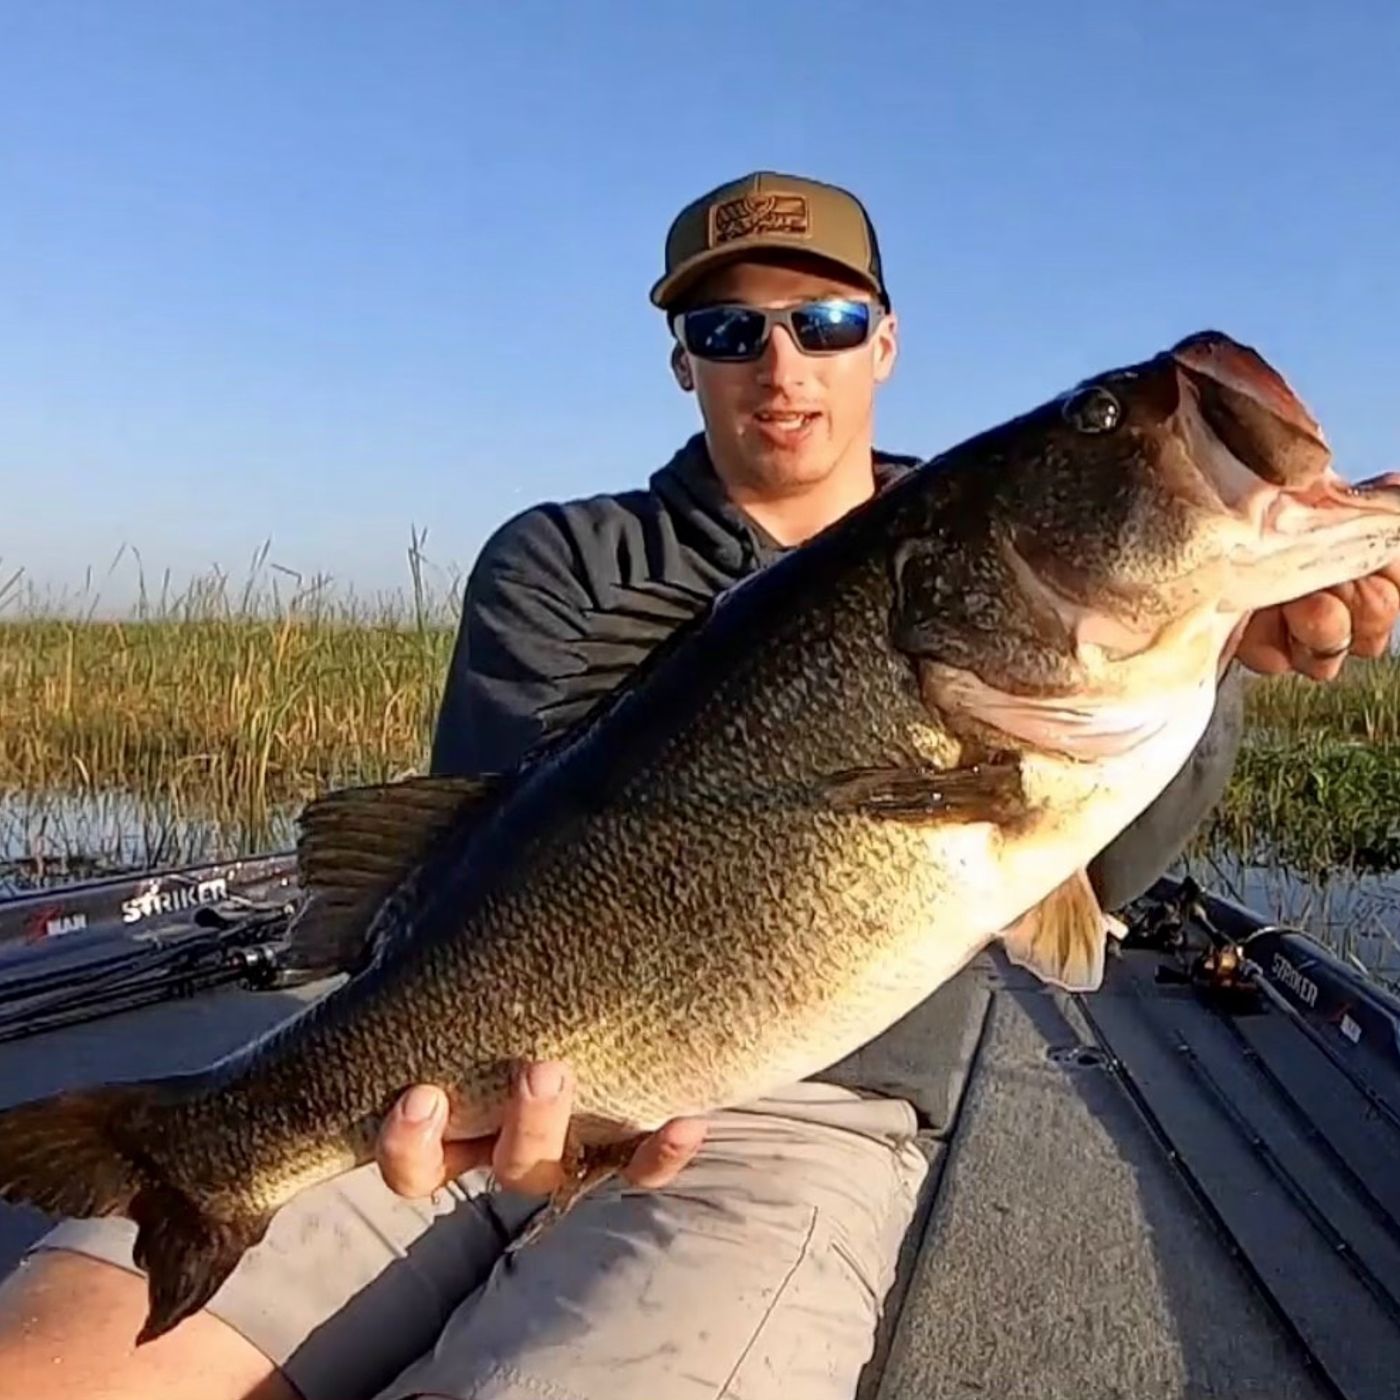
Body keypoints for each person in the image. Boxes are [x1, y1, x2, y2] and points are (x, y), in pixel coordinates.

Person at [2, 171, 1397, 1400]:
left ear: (886, 342)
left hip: (803, 1109)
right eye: (730, 330)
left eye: (826, 321)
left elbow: (1095, 877)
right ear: (684, 362)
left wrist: (1222, 661)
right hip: (443, 1078)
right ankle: (208, 1156)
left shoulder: (1021, 614)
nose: (780, 361)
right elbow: (459, 882)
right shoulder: (562, 562)